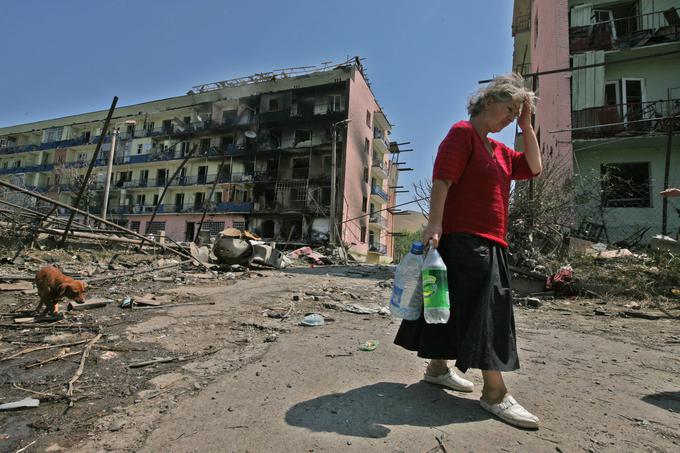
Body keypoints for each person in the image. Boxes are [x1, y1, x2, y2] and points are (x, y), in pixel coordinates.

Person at [394, 73, 542, 429]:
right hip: (463, 239)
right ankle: (494, 393)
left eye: (515, 114)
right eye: (509, 109)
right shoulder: (463, 134)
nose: (510, 118)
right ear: (488, 101)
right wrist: (434, 225)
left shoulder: (501, 151)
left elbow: (534, 167)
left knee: (454, 307)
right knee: (490, 313)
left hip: (492, 241)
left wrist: (526, 125)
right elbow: (443, 179)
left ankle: (437, 368)